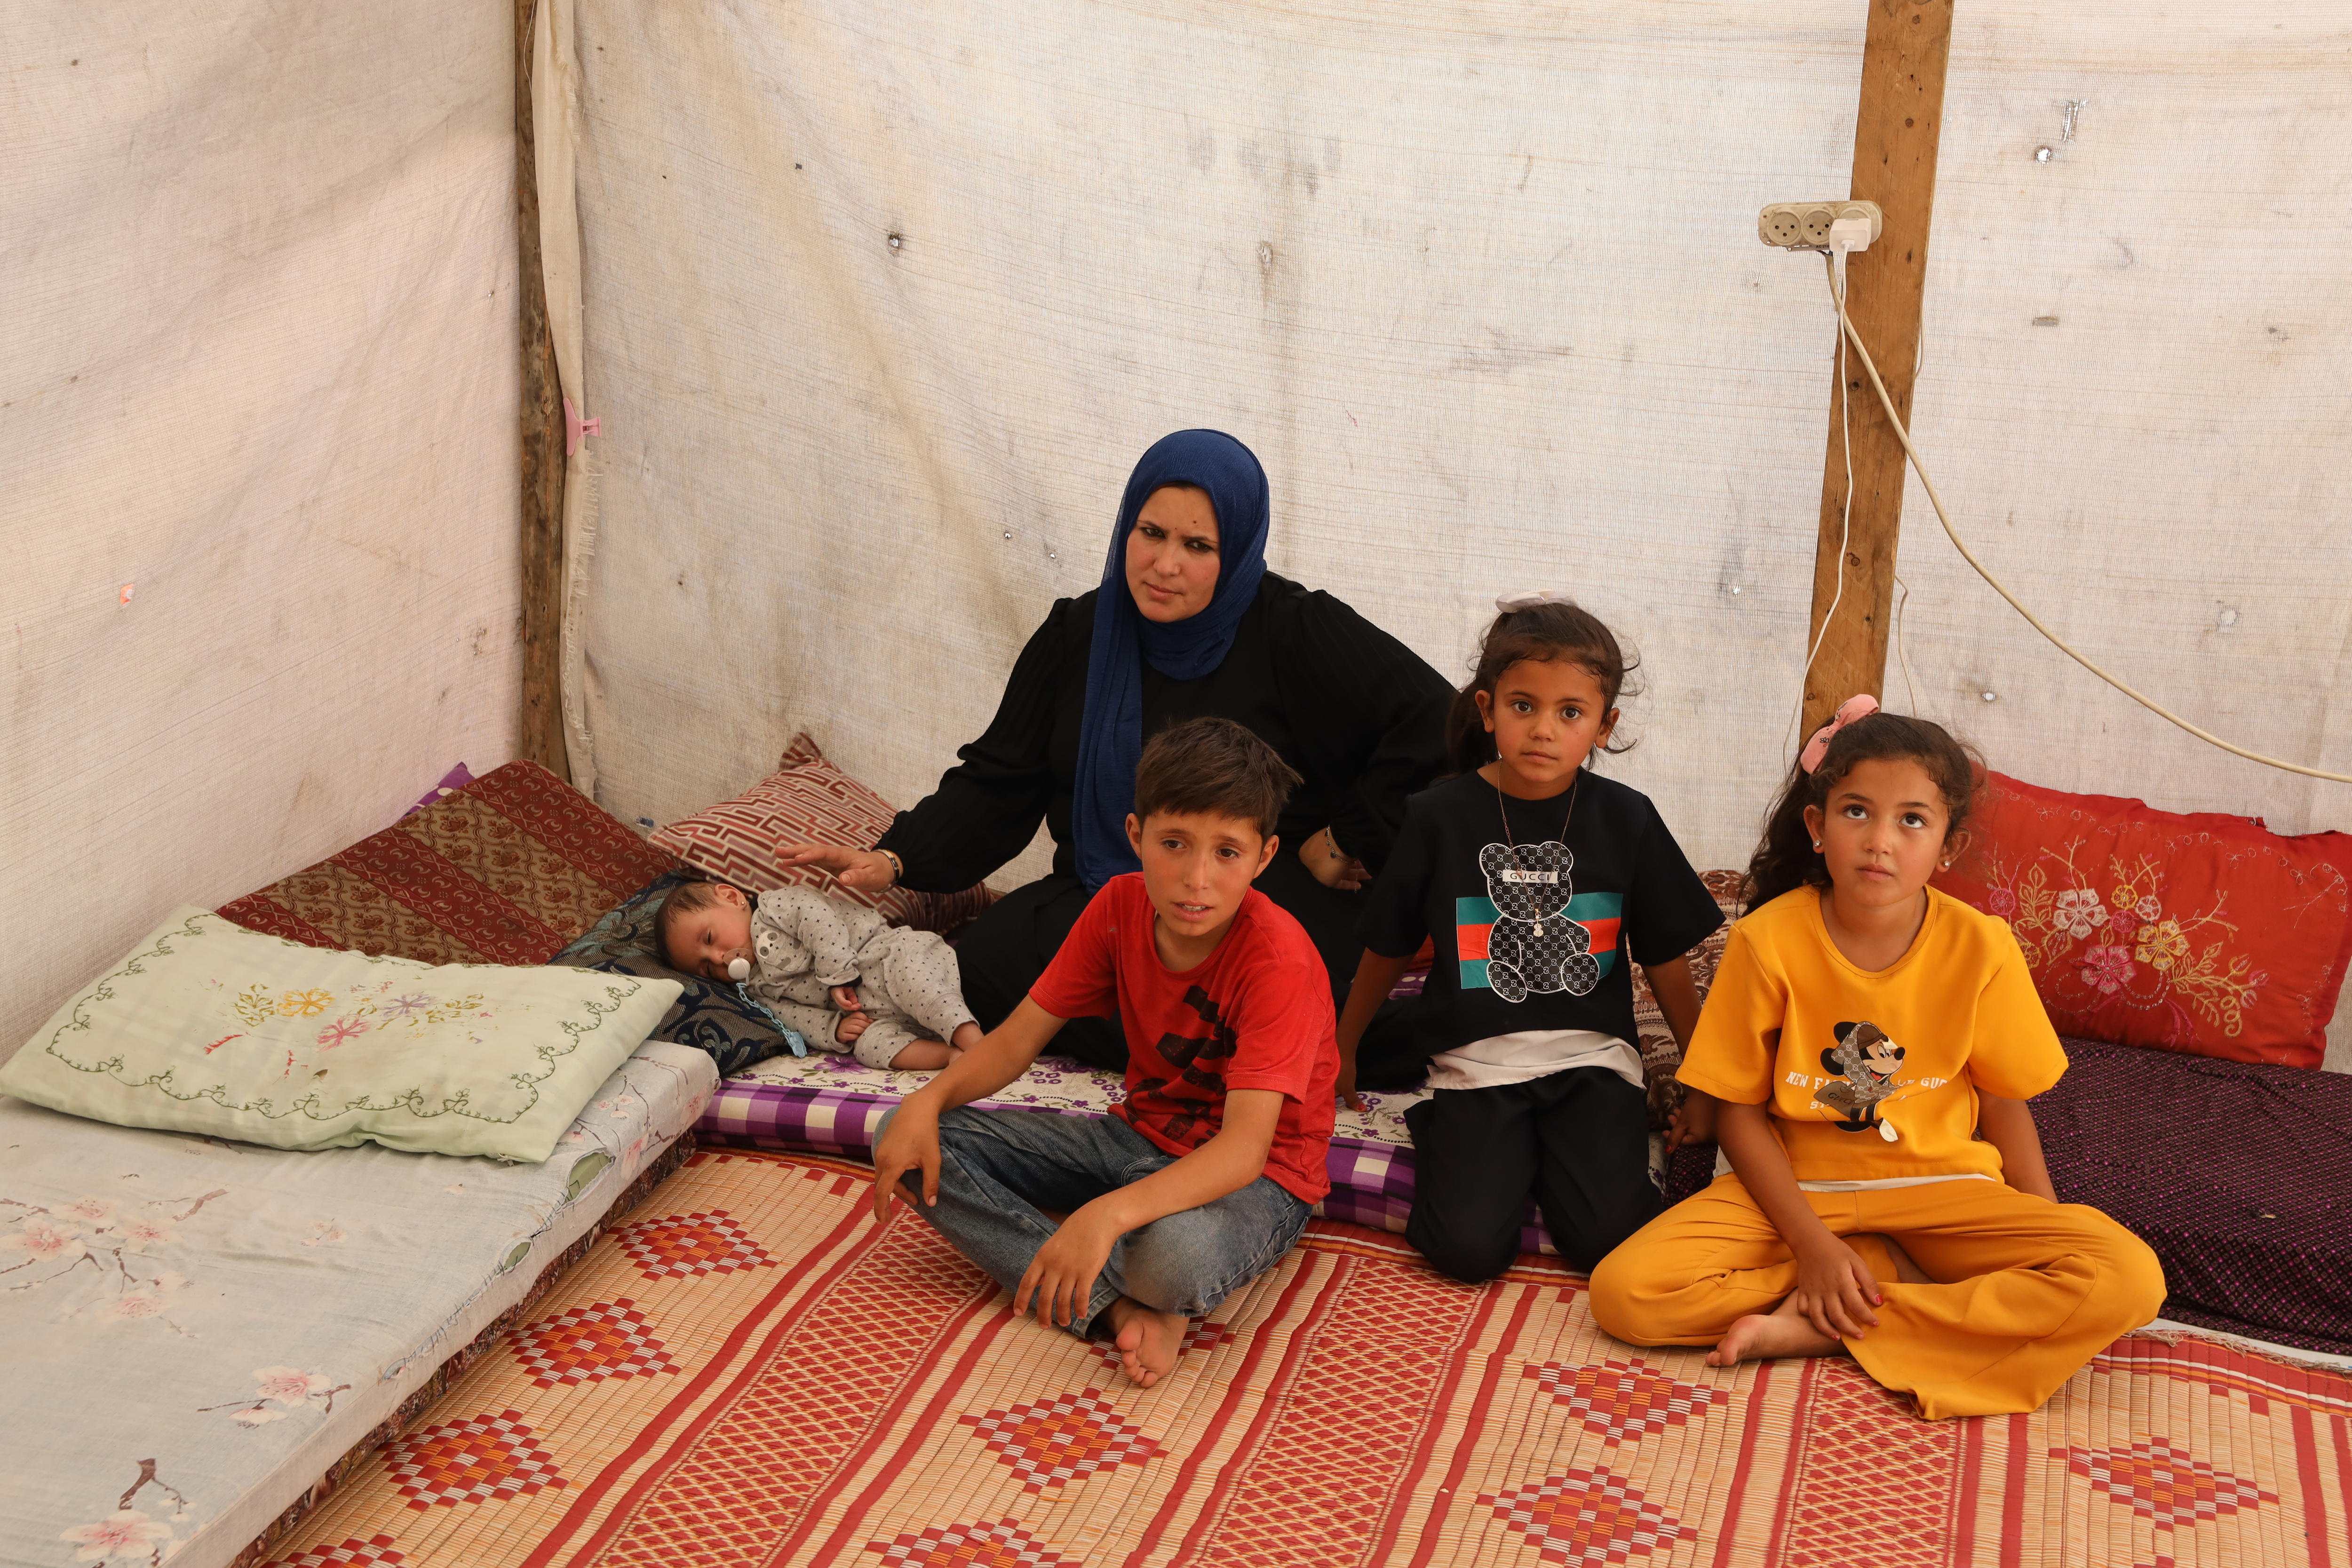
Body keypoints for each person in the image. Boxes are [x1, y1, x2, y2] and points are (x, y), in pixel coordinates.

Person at [776, 429, 1452, 1070]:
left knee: (1269, 977)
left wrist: (1347, 836)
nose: (1164, 564)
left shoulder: (1296, 630)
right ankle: (1222, 1046)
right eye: (1150, 533)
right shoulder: (1079, 635)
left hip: (1255, 895)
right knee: (978, 966)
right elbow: (998, 781)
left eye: (1197, 545)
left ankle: (1254, 1035)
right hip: (1109, 891)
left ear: (1239, 548)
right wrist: (896, 857)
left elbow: (1439, 724)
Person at [1587, 698, 2167, 1420]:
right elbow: (1738, 1111)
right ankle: (1886, 1283)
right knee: (1626, 1294)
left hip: (1944, 1188)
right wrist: (1814, 1248)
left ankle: (1834, 1322)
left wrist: (2034, 1233)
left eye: (1912, 820)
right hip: (1803, 1191)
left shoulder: (1981, 946)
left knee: (2129, 1278)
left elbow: (2004, 1099)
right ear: (1817, 827)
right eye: (1857, 812)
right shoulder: (1768, 941)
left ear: (1948, 846)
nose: (1881, 841)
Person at [868, 717, 1338, 1387]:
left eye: (1226, 853)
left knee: (1171, 1259)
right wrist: (929, 1098)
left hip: (1260, 1181)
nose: (1196, 878)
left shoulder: (1278, 958)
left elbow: (1244, 1151)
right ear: (1136, 837)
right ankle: (1112, 1305)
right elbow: (1015, 1042)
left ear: (1264, 858)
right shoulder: (1117, 907)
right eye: (1174, 843)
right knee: (906, 1139)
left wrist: (1107, 1214)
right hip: (1134, 1140)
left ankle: (1126, 1272)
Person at [1336, 596, 1724, 1282]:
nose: (1544, 730)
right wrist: (1341, 1044)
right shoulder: (1439, 817)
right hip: (1474, 1065)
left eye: (1570, 713)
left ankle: (1550, 1155)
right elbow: (1389, 943)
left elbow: (1665, 954)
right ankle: (1453, 1135)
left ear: (1605, 726)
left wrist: (1703, 1078)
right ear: (1488, 710)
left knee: (1607, 1238)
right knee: (1466, 1250)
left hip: (1595, 1063)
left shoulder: (1626, 819)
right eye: (1524, 706)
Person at [658, 880, 980, 1071]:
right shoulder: (755, 989)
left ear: (731, 897)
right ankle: (952, 1057)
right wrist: (833, 1028)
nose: (718, 959)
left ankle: (978, 1047)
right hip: (874, 1015)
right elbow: (792, 1016)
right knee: (869, 1047)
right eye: (706, 968)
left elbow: (818, 920)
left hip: (888, 957)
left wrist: (837, 972)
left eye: (710, 938)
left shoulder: (776, 908)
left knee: (916, 982)